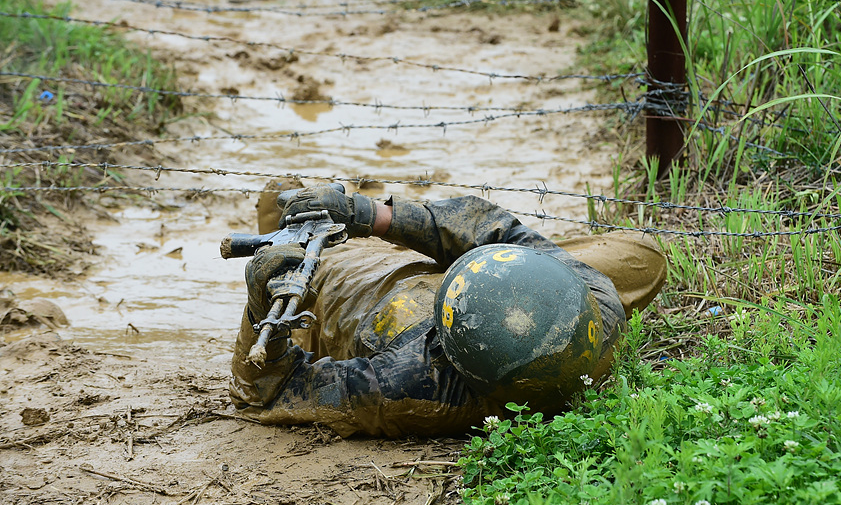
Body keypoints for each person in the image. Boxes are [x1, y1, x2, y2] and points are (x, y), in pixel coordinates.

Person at [229, 184, 666, 438]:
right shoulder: (594, 300)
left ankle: (280, 234)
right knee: (643, 254)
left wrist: (259, 302)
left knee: (280, 199)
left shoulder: (416, 384)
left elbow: (263, 394)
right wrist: (371, 215)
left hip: (343, 279)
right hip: (423, 266)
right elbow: (494, 227)